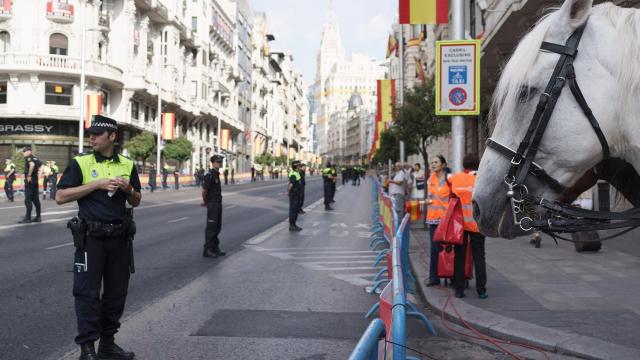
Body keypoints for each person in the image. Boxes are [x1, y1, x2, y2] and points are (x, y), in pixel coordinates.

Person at [55, 115, 141, 360]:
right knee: (87, 294)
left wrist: (127, 189)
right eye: (90, 133)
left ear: (112, 136)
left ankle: (107, 345)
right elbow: (61, 197)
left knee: (116, 294)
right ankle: (87, 349)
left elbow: (136, 200)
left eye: (97, 134)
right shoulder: (80, 163)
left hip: (119, 240)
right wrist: (96, 184)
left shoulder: (127, 163)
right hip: (91, 239)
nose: (91, 137)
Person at [449, 153, 488, 299]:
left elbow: (451, 199)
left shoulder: (455, 178)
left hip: (460, 225)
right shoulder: (480, 179)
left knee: (459, 257)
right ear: (478, 164)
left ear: (464, 164)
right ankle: (481, 290)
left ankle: (459, 290)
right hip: (477, 224)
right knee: (479, 257)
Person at [424, 155, 450, 287]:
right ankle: (434, 278)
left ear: (443, 165)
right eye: (432, 162)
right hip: (433, 220)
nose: (433, 164)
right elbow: (430, 198)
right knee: (434, 249)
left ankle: (450, 275)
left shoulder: (449, 179)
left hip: (447, 220)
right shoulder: (431, 179)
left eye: (436, 162)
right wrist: (425, 202)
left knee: (448, 249)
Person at [201, 155, 226, 258]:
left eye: (220, 162)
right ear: (213, 163)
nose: (219, 163)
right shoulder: (209, 175)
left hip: (218, 203)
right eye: (218, 162)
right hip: (212, 203)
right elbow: (204, 190)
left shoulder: (216, 174)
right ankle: (207, 250)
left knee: (217, 227)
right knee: (211, 228)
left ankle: (215, 247)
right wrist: (205, 201)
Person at [19, 146, 43, 223]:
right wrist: (38, 176)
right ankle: (38, 217)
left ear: (29, 151)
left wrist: (29, 175)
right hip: (35, 182)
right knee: (36, 200)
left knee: (27, 200)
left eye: (24, 151)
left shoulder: (29, 158)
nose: (23, 153)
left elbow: (32, 165)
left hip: (29, 182)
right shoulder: (35, 158)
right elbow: (42, 166)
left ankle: (28, 218)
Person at [288, 160, 303, 231]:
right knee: (293, 210)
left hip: (296, 194)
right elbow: (291, 184)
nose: (300, 167)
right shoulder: (294, 174)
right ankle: (292, 225)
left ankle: (294, 224)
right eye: (299, 166)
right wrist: (289, 192)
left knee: (295, 210)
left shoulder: (296, 173)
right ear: (296, 166)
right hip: (294, 195)